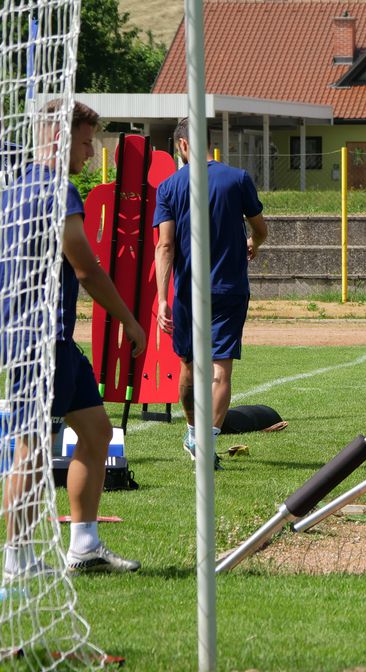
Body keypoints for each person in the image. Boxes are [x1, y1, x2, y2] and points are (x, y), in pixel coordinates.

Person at [2, 101, 146, 578]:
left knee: (97, 433)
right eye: (85, 142)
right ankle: (17, 558)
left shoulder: (16, 188)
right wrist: (128, 319)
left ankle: (84, 545)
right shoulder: (55, 189)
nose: (89, 152)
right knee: (33, 448)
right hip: (39, 342)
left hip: (52, 339)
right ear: (60, 138)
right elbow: (85, 268)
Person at [153, 119, 268, 464]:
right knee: (220, 370)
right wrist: (253, 243)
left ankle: (193, 433)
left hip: (188, 293)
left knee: (188, 367)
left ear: (182, 146)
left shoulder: (169, 186)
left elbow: (165, 246)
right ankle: (207, 441)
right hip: (230, 289)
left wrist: (162, 299)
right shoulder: (238, 179)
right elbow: (261, 229)